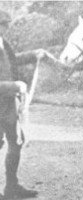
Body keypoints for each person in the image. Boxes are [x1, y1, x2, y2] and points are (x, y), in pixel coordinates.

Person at [0, 10, 46, 199]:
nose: (5, 28)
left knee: (16, 143)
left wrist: (34, 54)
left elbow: (13, 60)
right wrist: (15, 85)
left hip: (8, 105)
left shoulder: (3, 42)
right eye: (3, 25)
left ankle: (11, 187)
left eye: (5, 25)